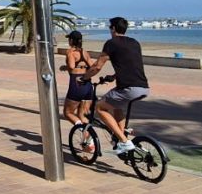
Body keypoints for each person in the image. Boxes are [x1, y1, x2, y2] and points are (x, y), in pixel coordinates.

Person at [81, 16, 149, 155]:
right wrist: (114, 76)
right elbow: (130, 64)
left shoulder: (111, 43)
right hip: (143, 87)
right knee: (116, 106)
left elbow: (97, 66)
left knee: (100, 107)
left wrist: (83, 78)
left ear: (113, 28)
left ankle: (124, 141)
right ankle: (120, 137)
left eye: (109, 27)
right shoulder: (135, 43)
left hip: (128, 88)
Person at [62, 30, 93, 125]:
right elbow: (92, 66)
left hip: (77, 84)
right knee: (82, 115)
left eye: (69, 39)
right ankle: (89, 134)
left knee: (68, 113)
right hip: (87, 84)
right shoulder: (84, 52)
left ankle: (79, 126)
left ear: (71, 40)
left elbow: (71, 66)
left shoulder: (70, 52)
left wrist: (65, 67)